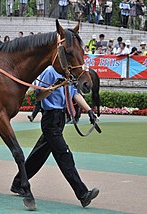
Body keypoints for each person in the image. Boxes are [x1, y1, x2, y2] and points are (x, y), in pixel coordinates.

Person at [10, 65, 99, 208]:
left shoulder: (67, 74)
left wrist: (89, 111)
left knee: (39, 154)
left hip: (60, 118)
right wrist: (53, 87)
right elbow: (39, 96)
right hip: (50, 119)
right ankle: (82, 194)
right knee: (64, 155)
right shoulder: (50, 72)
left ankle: (18, 183)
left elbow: (74, 93)